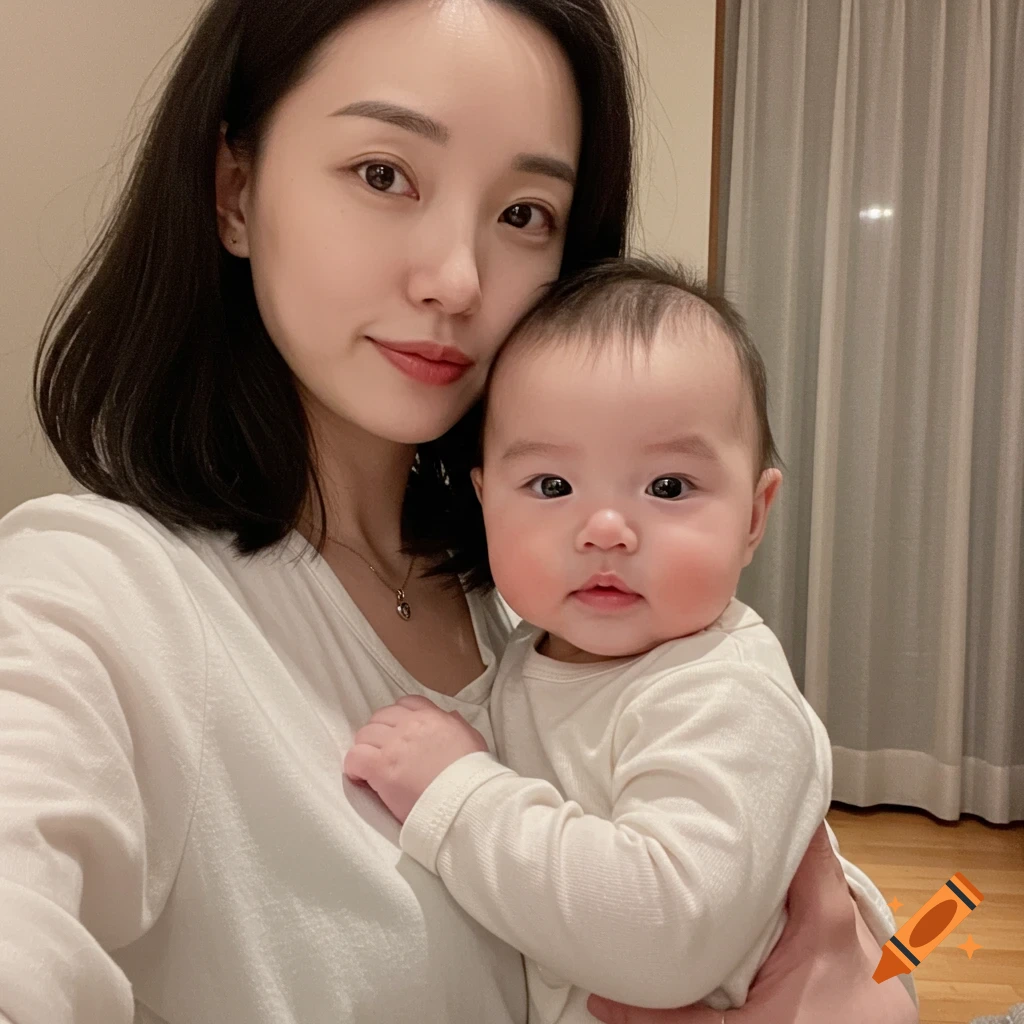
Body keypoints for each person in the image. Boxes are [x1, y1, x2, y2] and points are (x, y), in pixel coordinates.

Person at [0, 1, 917, 1022]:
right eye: (384, 174)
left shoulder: (536, 614)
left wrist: (876, 980)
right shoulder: (86, 598)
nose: (457, 279)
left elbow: (806, 912)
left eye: (525, 213)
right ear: (235, 190)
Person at [344, 258, 916, 1021]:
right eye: (552, 486)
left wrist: (458, 791)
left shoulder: (722, 691)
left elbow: (663, 935)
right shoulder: (529, 653)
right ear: (486, 503)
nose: (605, 530)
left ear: (753, 516)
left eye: (668, 487)